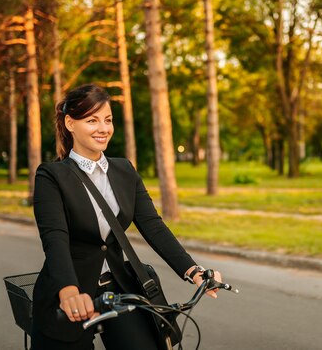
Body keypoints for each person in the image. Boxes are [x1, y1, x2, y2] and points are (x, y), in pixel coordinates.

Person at [30, 84, 222, 350]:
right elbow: (55, 238)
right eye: (92, 120)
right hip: (70, 291)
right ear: (70, 123)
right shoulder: (51, 176)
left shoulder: (124, 170)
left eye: (107, 120)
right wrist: (69, 291)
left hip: (118, 288)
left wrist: (192, 270)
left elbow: (153, 225)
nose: (103, 128)